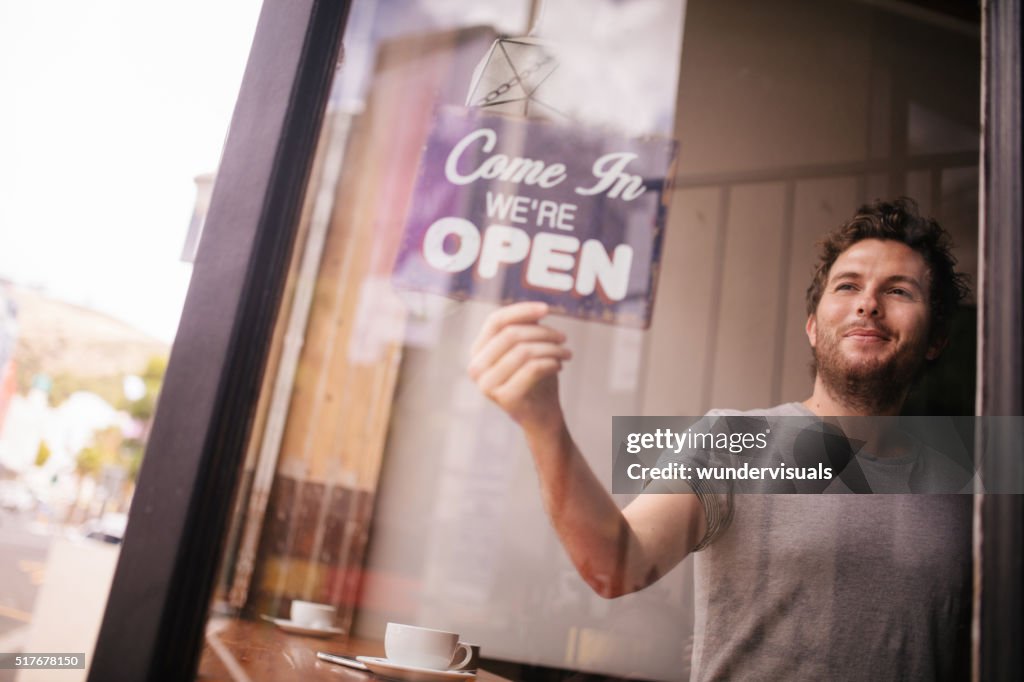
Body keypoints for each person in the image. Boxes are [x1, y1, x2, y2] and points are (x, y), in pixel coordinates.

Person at [467, 198, 972, 680]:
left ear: (937, 340)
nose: (868, 304)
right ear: (814, 328)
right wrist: (546, 425)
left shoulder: (969, 478)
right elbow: (615, 566)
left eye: (899, 291)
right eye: (847, 286)